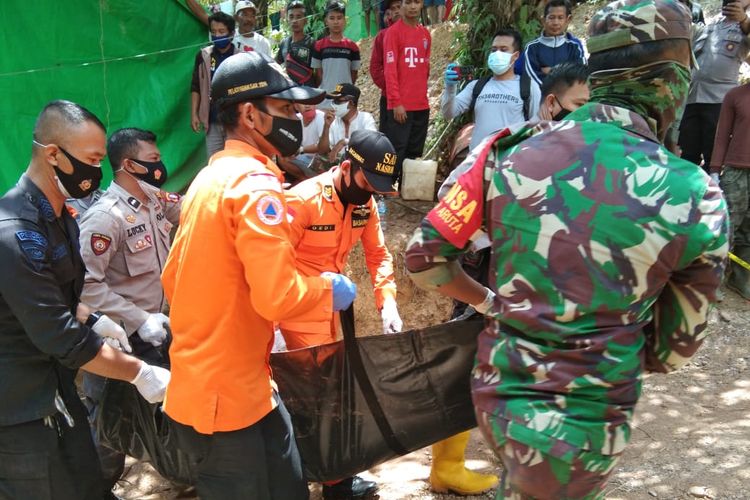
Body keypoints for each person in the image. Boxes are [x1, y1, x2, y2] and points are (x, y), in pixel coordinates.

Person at [405, 1, 728, 497]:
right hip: (589, 419)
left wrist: (493, 304)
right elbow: (671, 351)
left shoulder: (505, 153)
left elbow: (425, 258)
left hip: (498, 398)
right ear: (671, 80)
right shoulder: (694, 194)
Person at [162, 51, 357, 499]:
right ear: (250, 114)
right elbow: (277, 296)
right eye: (286, 110)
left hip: (239, 382)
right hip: (224, 402)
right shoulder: (254, 185)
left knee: (288, 482)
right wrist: (326, 290)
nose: (298, 118)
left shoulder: (209, 181)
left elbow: (173, 280)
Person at [0, 100, 170, 500]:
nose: (97, 172)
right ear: (54, 154)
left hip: (56, 395)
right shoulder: (16, 234)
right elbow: (61, 337)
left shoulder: (59, 219)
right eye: (92, 160)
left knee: (90, 484)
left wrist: (94, 319)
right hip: (20, 411)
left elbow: (66, 298)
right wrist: (140, 373)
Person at [280, 129, 401, 499]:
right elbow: (270, 266)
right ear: (346, 167)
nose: (372, 194)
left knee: (332, 402)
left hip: (333, 318)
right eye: (368, 182)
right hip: (289, 319)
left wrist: (388, 301)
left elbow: (378, 255)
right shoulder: (303, 201)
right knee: (301, 406)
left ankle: (337, 481)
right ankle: (304, 483)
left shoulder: (364, 206)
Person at [76, 128, 180, 496]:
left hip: (161, 331)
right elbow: (85, 285)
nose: (160, 166)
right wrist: (138, 317)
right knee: (108, 428)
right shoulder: (106, 218)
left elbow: (189, 205)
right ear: (127, 164)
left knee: (169, 409)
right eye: (152, 161)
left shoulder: (154, 200)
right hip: (119, 338)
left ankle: (180, 476)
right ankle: (96, 491)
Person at [678, 0, 750, 171]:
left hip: (720, 101)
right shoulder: (713, 23)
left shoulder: (746, 24)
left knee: (714, 154)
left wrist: (744, 21)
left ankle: (715, 192)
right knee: (688, 152)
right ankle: (688, 192)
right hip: (694, 97)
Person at [442, 28, 542, 151]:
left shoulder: (529, 87)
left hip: (508, 161)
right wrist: (450, 87)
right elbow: (448, 113)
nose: (497, 53)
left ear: (515, 56)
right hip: (477, 160)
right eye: (494, 50)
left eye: (504, 50)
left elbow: (537, 125)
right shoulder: (477, 86)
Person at [709, 82, 750, 300]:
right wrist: (715, 170)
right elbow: (722, 135)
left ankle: (741, 279)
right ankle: (714, 280)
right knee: (726, 227)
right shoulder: (735, 95)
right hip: (736, 172)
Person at [383, 0, 431, 185]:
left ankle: (407, 187)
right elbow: (390, 70)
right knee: (396, 149)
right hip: (401, 105)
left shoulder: (425, 34)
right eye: (408, 2)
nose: (412, 6)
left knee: (415, 150)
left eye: (417, 2)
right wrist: (396, 102)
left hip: (421, 104)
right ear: (401, 5)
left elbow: (425, 68)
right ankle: (387, 187)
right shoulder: (393, 33)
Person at [191, 11, 236, 157]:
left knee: (233, 160)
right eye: (214, 32)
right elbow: (196, 86)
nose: (217, 35)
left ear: (232, 33)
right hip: (212, 120)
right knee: (215, 161)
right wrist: (194, 114)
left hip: (234, 121)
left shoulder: (240, 57)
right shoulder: (203, 55)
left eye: (222, 31)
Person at [522, 0, 586, 86]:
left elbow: (581, 73)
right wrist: (566, 72)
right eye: (551, 17)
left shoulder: (574, 46)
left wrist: (552, 71)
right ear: (543, 20)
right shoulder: (532, 48)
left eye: (560, 18)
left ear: (568, 20)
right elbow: (532, 76)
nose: (556, 23)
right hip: (541, 97)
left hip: (567, 95)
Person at [319, 83, 377, 162]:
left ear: (350, 103)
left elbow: (372, 143)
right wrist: (326, 126)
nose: (333, 104)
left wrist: (344, 142)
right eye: (333, 100)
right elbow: (322, 151)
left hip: (361, 166)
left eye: (338, 101)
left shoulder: (365, 118)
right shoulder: (333, 121)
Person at [312, 1, 361, 92]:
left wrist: (346, 91)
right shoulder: (318, 46)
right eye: (332, 18)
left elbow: (354, 74)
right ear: (326, 21)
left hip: (345, 99)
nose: (336, 22)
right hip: (324, 98)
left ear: (344, 20)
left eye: (339, 18)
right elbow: (318, 74)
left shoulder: (353, 47)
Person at [369, 0, 402, 131]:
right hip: (388, 97)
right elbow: (375, 68)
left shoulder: (418, 33)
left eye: (399, 6)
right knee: (388, 138)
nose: (397, 11)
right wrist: (389, 85)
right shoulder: (382, 36)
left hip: (411, 98)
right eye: (393, 8)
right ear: (389, 13)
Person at [275, 1, 315, 86]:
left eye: (299, 17)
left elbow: (319, 73)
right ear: (287, 20)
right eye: (291, 17)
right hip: (290, 92)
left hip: (308, 92)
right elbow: (275, 64)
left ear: (305, 20)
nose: (294, 21)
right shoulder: (284, 43)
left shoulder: (312, 43)